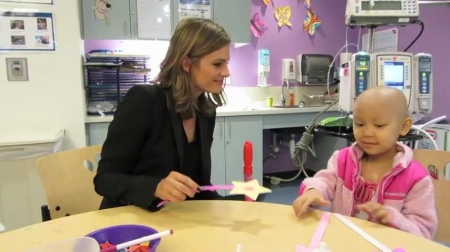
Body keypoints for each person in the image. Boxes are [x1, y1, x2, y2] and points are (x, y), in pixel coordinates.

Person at [93, 17, 232, 211]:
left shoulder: (205, 111)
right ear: (186, 63)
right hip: (132, 220)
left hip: (174, 220)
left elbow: (198, 185)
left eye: (226, 63)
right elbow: (105, 179)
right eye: (218, 64)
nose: (226, 72)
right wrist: (155, 187)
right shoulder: (143, 101)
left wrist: (232, 204)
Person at [292, 86, 438, 239]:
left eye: (379, 125)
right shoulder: (342, 160)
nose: (367, 133)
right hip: (344, 242)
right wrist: (314, 190)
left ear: (403, 126)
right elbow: (324, 182)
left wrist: (395, 219)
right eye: (360, 124)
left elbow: (423, 234)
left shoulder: (416, 179)